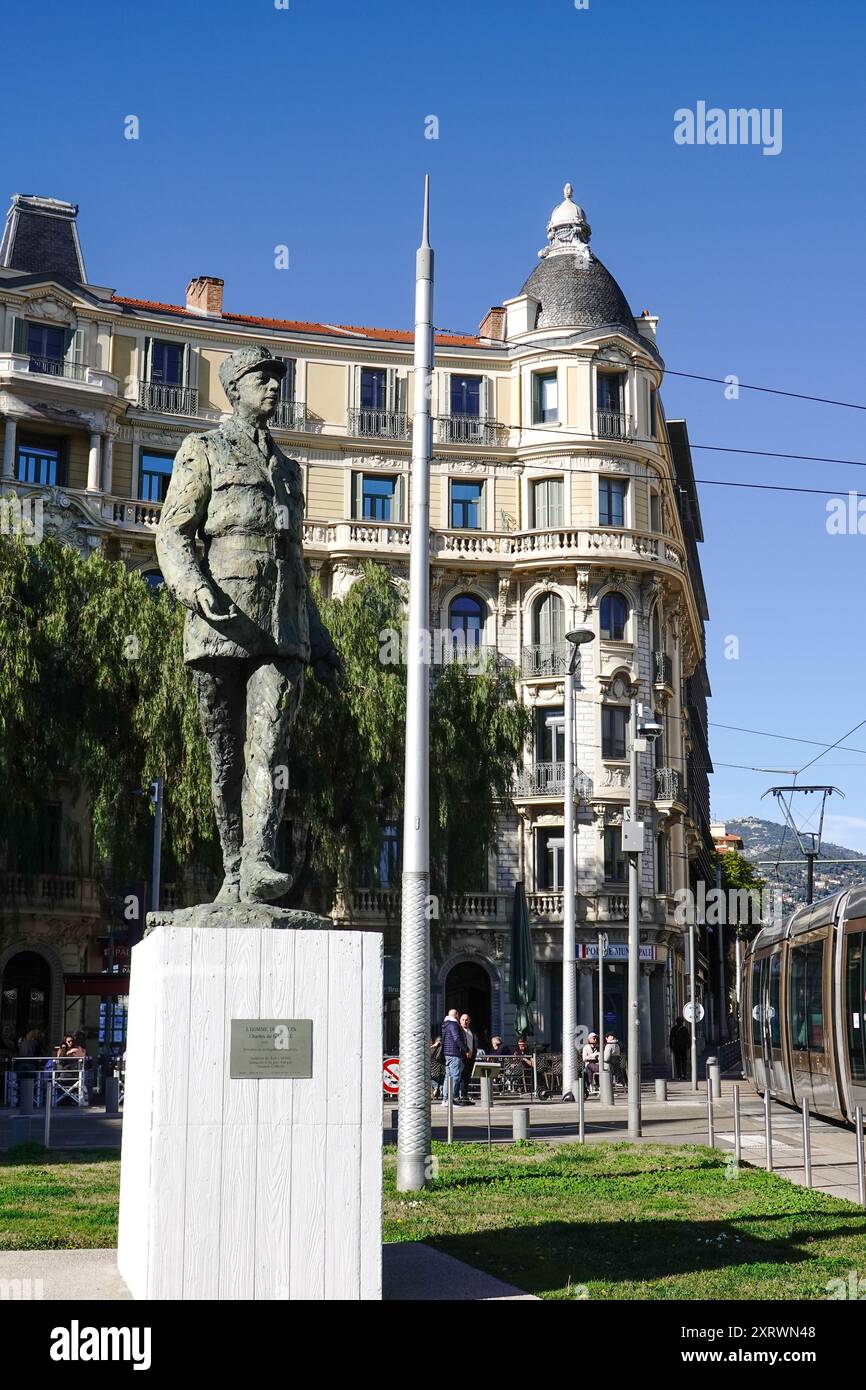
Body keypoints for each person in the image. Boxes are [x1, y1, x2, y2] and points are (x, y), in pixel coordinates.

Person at [156, 344, 341, 905]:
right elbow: (173, 532)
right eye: (262, 378)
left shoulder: (287, 469)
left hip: (283, 629)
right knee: (225, 756)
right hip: (221, 624)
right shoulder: (203, 449)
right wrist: (195, 590)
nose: (273, 387)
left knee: (269, 750)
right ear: (234, 387)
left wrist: (322, 643)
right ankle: (233, 867)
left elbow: (296, 561)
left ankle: (260, 863)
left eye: (277, 378)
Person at [440, 1009, 468, 1107]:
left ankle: (445, 1099)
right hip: (454, 1053)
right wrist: (467, 1049)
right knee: (456, 1077)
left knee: (448, 1077)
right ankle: (453, 1099)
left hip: (447, 1054)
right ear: (456, 1015)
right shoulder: (453, 1024)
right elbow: (457, 1039)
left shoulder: (445, 1025)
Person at [458, 1012, 477, 1105]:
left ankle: (465, 1097)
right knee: (461, 1078)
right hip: (462, 1057)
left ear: (469, 1021)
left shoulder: (471, 1032)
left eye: (466, 1020)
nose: (465, 1021)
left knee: (467, 1078)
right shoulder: (459, 1031)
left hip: (471, 1058)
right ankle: (460, 1097)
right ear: (459, 1021)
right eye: (463, 1020)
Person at [670, 1016, 690, 1080]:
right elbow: (688, 1038)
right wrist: (688, 1046)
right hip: (683, 1047)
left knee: (677, 1061)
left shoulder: (674, 1029)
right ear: (682, 1022)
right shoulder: (684, 1029)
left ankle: (679, 1075)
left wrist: (671, 1046)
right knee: (684, 1061)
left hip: (676, 1047)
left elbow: (671, 1038)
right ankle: (684, 1074)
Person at [429, 1035, 445, 1100]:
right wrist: (434, 1046)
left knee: (437, 1080)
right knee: (437, 1080)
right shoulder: (433, 1048)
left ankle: (436, 1090)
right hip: (436, 1069)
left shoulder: (439, 1048)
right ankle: (437, 1090)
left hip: (437, 1069)